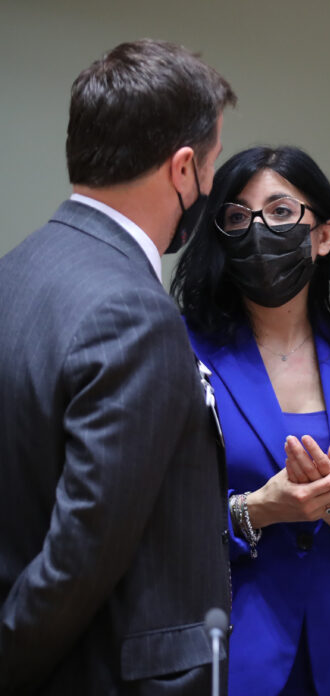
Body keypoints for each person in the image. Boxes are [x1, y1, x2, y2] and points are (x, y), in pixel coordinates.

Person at [0, 40, 235, 693]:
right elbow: (84, 551)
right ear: (183, 168)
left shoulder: (14, 273)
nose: (211, 186)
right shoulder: (133, 310)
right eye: (212, 164)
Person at [172, 145, 330, 696]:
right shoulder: (181, 347)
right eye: (239, 217)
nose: (260, 230)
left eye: (281, 212)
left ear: (324, 236)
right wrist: (257, 510)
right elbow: (157, 522)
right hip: (233, 653)